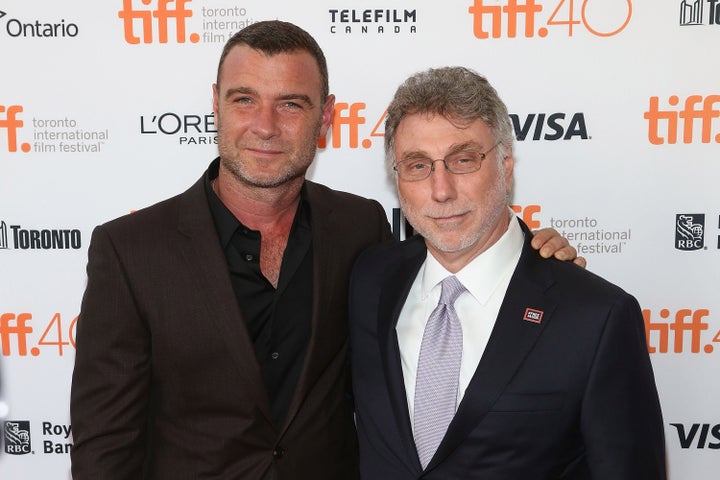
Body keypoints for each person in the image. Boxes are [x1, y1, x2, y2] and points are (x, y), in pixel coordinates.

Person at [70, 22, 581, 479]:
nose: (266, 125)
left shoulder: (360, 227)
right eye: (244, 99)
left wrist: (534, 262)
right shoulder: (129, 251)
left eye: (291, 103)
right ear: (216, 104)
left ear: (327, 116)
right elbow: (105, 448)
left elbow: (451, 273)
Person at [348, 66, 666, 479]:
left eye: (463, 160)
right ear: (398, 179)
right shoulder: (370, 279)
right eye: (417, 165)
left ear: (506, 167)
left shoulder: (595, 317)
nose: (441, 190)